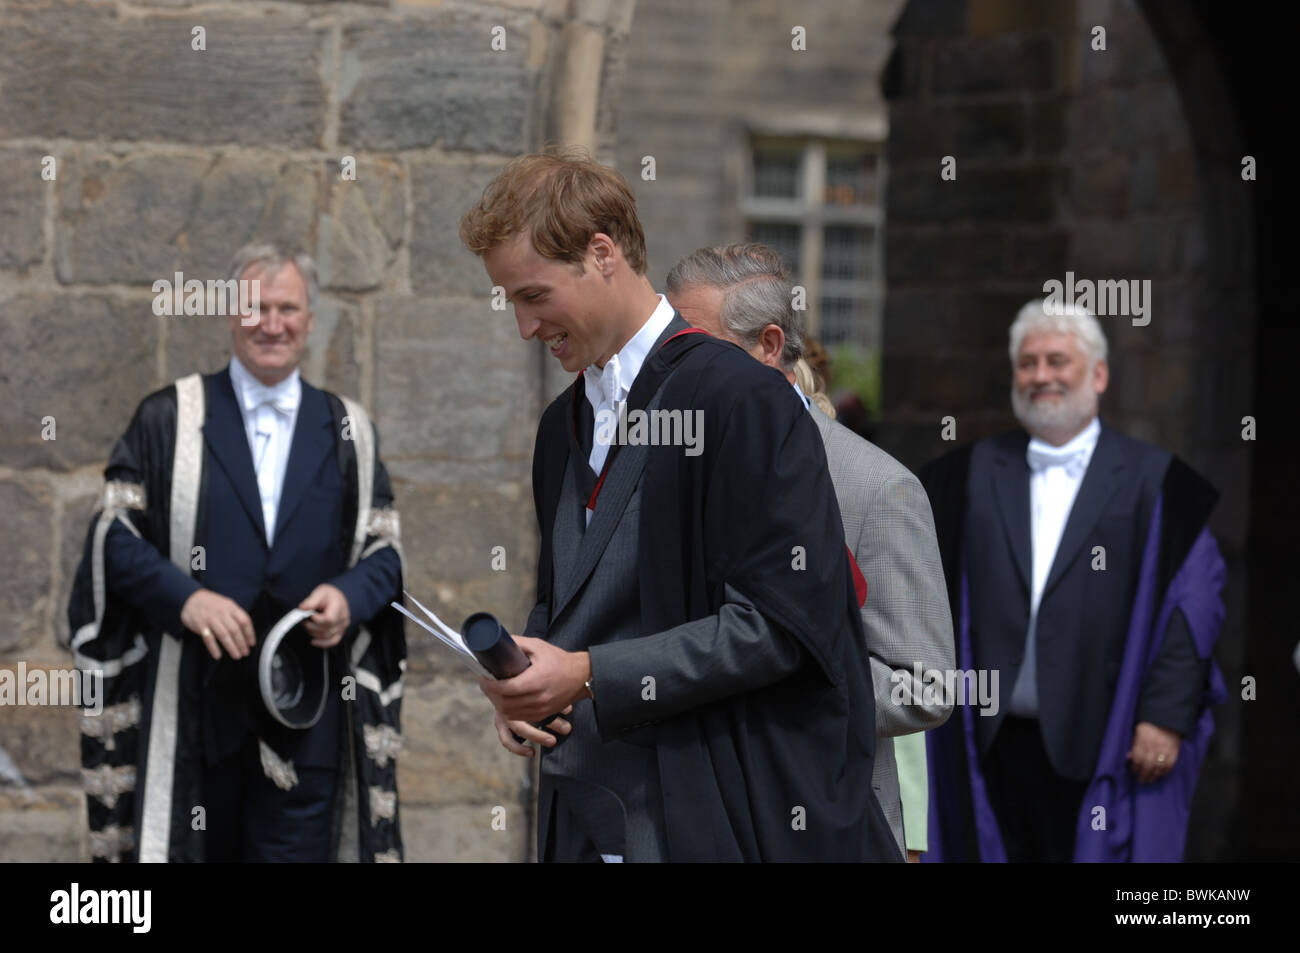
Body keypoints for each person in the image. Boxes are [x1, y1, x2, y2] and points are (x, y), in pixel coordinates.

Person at [459, 148, 901, 862]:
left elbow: (782, 628)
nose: (524, 326)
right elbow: (569, 604)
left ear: (602, 253)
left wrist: (590, 673)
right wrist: (531, 685)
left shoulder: (744, 399)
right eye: (510, 299)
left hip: (722, 821)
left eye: (533, 295)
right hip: (584, 823)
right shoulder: (557, 428)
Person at [67, 242, 407, 862]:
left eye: (287, 308)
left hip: (309, 720)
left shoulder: (350, 430)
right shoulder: (168, 418)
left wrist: (347, 597)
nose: (270, 324)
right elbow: (111, 537)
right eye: (256, 307)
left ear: (310, 319)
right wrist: (187, 598)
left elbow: (385, 553)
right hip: (196, 714)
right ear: (230, 312)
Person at [666, 243, 954, 861]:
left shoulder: (878, 488)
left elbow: (926, 687)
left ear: (770, 346)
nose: (676, 374)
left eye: (700, 351)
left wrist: (765, 672)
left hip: (826, 825)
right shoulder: (666, 462)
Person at [918, 299, 1226, 862]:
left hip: (1105, 733)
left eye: (1057, 360)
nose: (1042, 376)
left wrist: (1164, 714)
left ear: (1099, 374)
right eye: (1028, 363)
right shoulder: (965, 475)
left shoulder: (1155, 482)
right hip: (988, 736)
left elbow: (1194, 603)